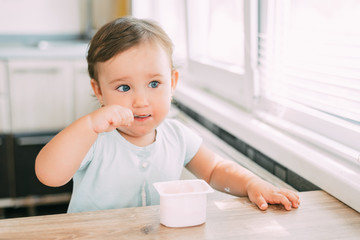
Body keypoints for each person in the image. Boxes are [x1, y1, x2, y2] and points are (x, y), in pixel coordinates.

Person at [35, 17, 299, 213]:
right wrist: (89, 125)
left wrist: (252, 183)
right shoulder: (91, 138)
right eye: (124, 87)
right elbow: (49, 175)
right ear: (99, 91)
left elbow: (217, 170)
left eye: (154, 84)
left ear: (172, 83)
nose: (140, 101)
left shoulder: (177, 136)